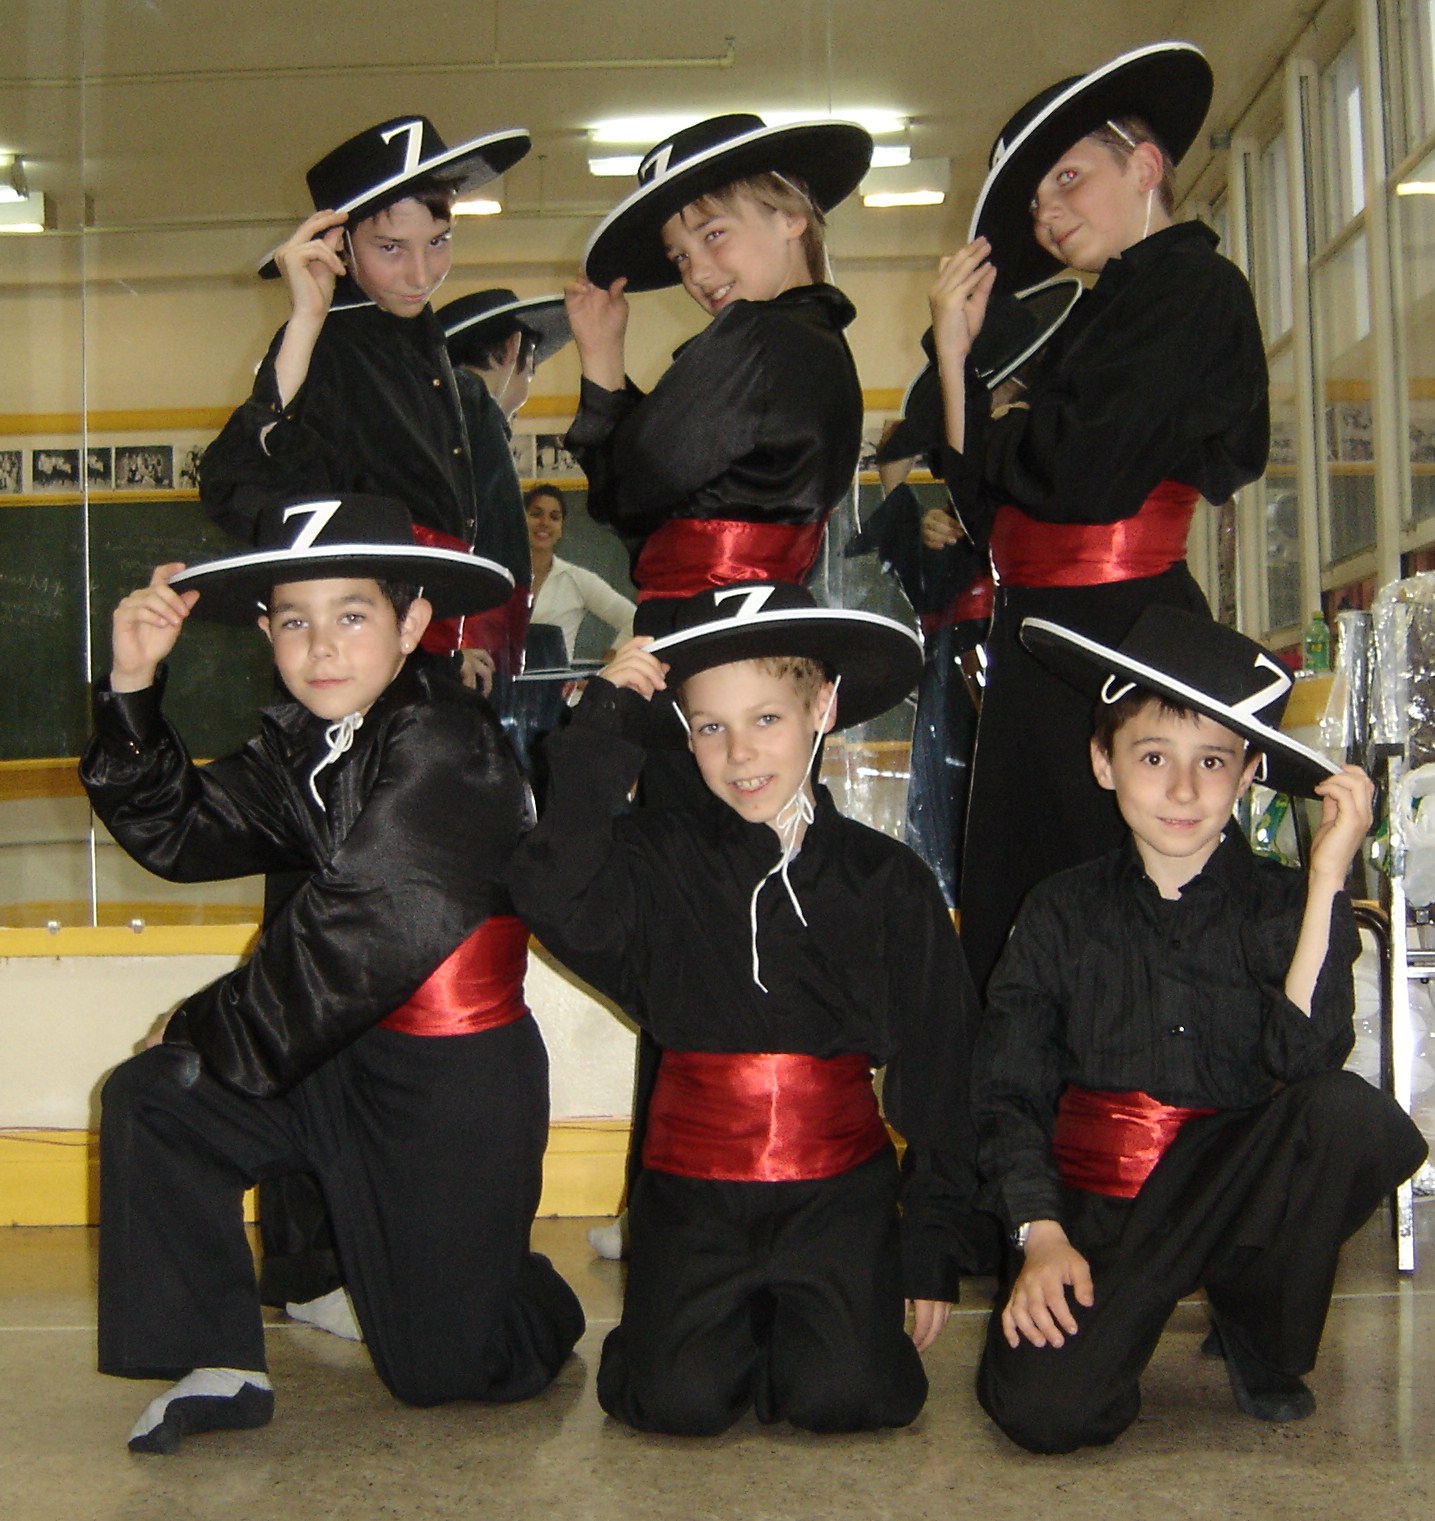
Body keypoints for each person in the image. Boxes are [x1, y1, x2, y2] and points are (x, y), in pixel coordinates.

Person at [83, 494, 584, 1454]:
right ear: (267, 630)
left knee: (444, 1371)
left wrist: (196, 1022)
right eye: (293, 620)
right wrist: (134, 684)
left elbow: (361, 933)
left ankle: (521, 1288)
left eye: (351, 615)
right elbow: (183, 828)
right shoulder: (304, 744)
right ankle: (217, 1357)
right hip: (330, 1054)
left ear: (412, 624)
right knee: (157, 1096)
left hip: (452, 1086)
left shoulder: (449, 743)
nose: (321, 648)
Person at [508, 581, 993, 1435]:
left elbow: (941, 1064)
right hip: (692, 1198)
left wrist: (930, 1241)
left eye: (766, 718)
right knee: (673, 1404)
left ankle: (803, 1323)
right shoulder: (653, 860)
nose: (739, 755)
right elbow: (549, 889)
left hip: (839, 1198)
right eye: (709, 727)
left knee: (849, 1399)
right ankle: (696, 1324)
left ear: (823, 705)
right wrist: (605, 721)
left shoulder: (887, 882)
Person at [971, 604, 1427, 1454]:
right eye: (1152, 757)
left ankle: (1259, 1323)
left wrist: (1327, 873)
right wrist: (1039, 1234)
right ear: (1102, 762)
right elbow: (1008, 1087)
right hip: (1100, 1212)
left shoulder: (1278, 902)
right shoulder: (1058, 911)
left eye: (1211, 761)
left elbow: (1304, 1055)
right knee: (1044, 1410)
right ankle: (1125, 1305)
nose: (1182, 790)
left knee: (1341, 1113)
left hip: (1231, 1188)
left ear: (1248, 770)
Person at [926, 44, 1270, 991]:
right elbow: (981, 506)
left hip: (1123, 633)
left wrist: (1006, 434)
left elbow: (1077, 474)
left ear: (1146, 165)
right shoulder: (1094, 318)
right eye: (1036, 204)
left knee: (1115, 910)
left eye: (1068, 178)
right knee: (1021, 908)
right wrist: (957, 361)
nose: (1050, 213)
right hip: (1045, 639)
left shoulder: (1190, 290)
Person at [201, 114, 530, 694]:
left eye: (438, 241)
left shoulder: (425, 348)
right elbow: (234, 483)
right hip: (363, 655)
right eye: (390, 247)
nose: (421, 272)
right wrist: (305, 318)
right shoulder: (328, 340)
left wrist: (463, 629)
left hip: (433, 642)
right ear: (340, 242)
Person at [564, 113, 872, 637]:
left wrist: (601, 362)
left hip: (707, 625)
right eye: (680, 257)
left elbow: (626, 495)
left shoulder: (756, 337)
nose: (698, 273)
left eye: (715, 235)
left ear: (792, 215)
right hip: (763, 619)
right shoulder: (819, 341)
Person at [849, 275, 1081, 906]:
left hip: (1026, 642)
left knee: (1010, 807)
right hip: (962, 650)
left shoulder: (1047, 439)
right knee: (957, 803)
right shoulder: (966, 452)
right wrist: (919, 516)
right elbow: (916, 574)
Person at [439, 288, 576, 685]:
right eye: (532, 366)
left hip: (475, 636)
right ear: (514, 348)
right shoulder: (466, 402)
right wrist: (451, 639)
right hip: (468, 640)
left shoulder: (470, 413)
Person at [526, 483, 635, 661]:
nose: (544, 523)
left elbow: (636, 620)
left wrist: (608, 665)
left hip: (557, 687)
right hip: (501, 685)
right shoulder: (503, 577)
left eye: (554, 517)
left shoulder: (575, 579)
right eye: (536, 514)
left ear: (562, 526)